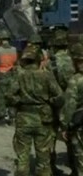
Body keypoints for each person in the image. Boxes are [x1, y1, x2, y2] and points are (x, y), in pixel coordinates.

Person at [6, 47, 63, 176]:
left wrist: (20, 101)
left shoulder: (19, 75)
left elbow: (9, 96)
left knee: (22, 157)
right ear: (38, 60)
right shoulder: (46, 75)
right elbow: (59, 97)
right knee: (43, 157)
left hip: (24, 118)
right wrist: (49, 103)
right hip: (43, 119)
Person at [47, 29, 76, 175]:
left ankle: (51, 167)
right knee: (71, 136)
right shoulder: (74, 60)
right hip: (71, 102)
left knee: (51, 135)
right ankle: (74, 166)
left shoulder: (50, 63)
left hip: (53, 104)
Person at [61, 43, 83, 176]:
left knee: (80, 158)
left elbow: (70, 105)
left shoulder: (76, 80)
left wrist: (65, 126)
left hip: (80, 124)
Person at [0, 30, 18, 123]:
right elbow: (16, 63)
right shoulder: (15, 49)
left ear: (1, 39)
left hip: (1, 75)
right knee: (11, 96)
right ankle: (12, 116)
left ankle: (2, 116)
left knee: (1, 97)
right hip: (12, 75)